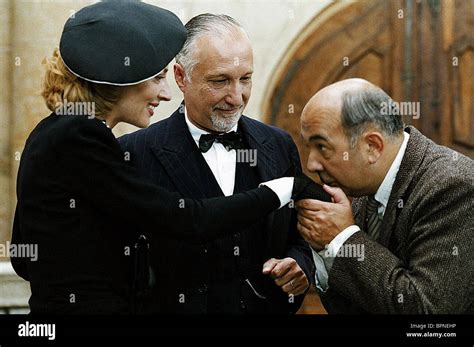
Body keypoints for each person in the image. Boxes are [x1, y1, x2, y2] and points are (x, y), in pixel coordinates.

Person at [9, 2, 323, 314]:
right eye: (158, 78)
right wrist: (286, 188)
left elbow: (24, 257)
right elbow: (189, 220)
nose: (165, 94)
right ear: (121, 79)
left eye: (245, 79)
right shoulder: (82, 138)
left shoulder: (53, 131)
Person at [118, 14, 314, 314]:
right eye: (220, 81)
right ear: (181, 77)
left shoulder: (278, 145)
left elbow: (301, 236)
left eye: (245, 79)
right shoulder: (133, 153)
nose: (236, 97)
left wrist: (300, 264)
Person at [296, 78, 474, 313]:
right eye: (309, 147)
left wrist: (341, 240)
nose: (311, 164)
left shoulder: (452, 186)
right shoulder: (362, 188)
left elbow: (427, 313)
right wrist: (323, 254)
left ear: (372, 146)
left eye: (322, 147)